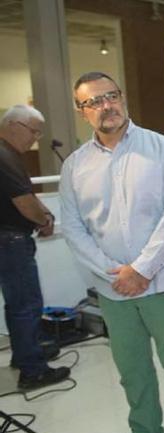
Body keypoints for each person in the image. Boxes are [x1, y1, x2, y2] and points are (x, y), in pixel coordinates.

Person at [59, 72, 164, 433]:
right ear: (82, 112)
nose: (106, 106)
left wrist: (141, 269)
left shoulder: (162, 149)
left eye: (111, 96)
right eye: (94, 102)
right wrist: (115, 275)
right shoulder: (75, 166)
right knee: (131, 367)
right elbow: (73, 228)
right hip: (114, 291)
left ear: (122, 97)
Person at [0, 105, 70, 389]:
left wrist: (44, 215)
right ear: (15, 125)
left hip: (7, 240)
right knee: (27, 305)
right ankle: (33, 370)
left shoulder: (8, 155)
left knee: (17, 305)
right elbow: (24, 202)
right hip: (11, 240)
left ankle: (25, 354)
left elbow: (25, 193)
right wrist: (44, 220)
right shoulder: (5, 156)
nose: (36, 138)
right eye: (34, 131)